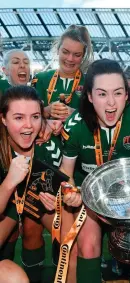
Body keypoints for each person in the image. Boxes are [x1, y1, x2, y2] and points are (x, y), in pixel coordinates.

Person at [60, 59, 130, 283]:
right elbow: (66, 173)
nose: (111, 103)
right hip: (88, 195)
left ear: (127, 95)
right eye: (102, 94)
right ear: (90, 97)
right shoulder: (74, 125)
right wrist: (70, 192)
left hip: (127, 192)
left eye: (118, 93)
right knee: (89, 246)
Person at [0, 86, 63, 283]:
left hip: (34, 199)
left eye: (35, 117)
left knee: (65, 228)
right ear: (3, 119)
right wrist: (9, 182)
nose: (29, 125)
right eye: (18, 118)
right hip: (6, 202)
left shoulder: (49, 146)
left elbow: (60, 188)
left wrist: (58, 201)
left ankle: (50, 268)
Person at [32, 24, 93, 121]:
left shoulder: (91, 83)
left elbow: (100, 120)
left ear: (83, 56)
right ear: (58, 50)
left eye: (77, 55)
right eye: (65, 52)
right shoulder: (40, 79)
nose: (70, 59)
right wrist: (46, 111)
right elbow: (26, 115)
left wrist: (76, 114)